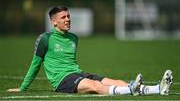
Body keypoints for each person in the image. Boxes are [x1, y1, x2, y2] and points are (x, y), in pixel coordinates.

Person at [7, 6, 173, 96]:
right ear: (54, 22)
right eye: (63, 17)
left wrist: (79, 73)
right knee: (95, 86)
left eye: (68, 16)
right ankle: (131, 90)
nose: (68, 19)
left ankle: (158, 88)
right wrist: (23, 88)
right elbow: (35, 65)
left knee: (114, 81)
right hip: (62, 80)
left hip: (78, 73)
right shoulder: (45, 38)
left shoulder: (73, 38)